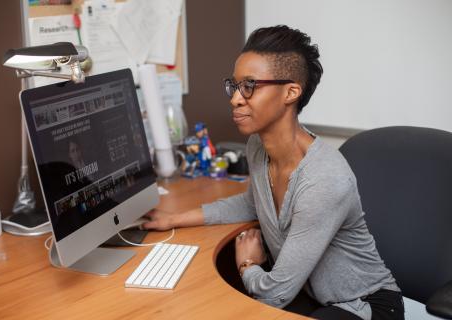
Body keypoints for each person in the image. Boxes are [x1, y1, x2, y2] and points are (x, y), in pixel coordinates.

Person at [142, 25, 404, 320]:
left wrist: (248, 265)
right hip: (309, 295)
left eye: (250, 86)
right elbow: (252, 202)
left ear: (291, 92)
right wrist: (174, 219)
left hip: (364, 305)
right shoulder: (257, 146)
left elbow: (274, 294)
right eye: (235, 85)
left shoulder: (323, 179)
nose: (235, 99)